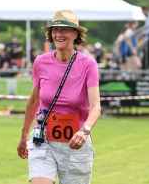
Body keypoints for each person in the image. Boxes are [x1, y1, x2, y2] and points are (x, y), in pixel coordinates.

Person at [17, 10, 101, 184]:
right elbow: (34, 102)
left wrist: (85, 131)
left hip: (76, 141)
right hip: (43, 138)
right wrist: (24, 135)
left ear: (75, 33)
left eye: (64, 30)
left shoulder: (88, 65)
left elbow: (95, 108)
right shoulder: (41, 62)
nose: (58, 34)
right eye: (55, 30)